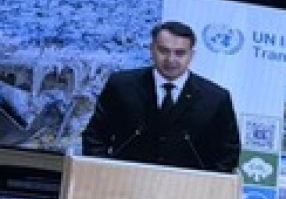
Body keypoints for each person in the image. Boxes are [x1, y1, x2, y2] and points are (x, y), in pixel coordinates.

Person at [82, 21, 240, 173]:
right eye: (164, 51)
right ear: (152, 49)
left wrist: (208, 185)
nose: (171, 60)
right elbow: (95, 135)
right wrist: (103, 172)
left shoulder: (216, 98)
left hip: (189, 188)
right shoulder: (122, 85)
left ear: (191, 55)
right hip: (124, 182)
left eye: (180, 53)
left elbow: (228, 153)